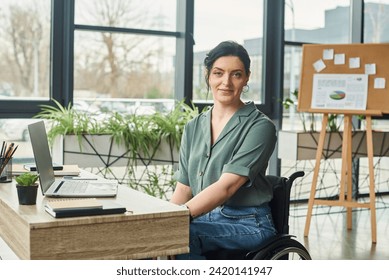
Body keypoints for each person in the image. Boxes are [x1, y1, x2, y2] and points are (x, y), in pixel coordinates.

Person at [170, 41, 277, 259]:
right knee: (149, 235)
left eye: (236, 74)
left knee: (181, 234)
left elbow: (227, 187)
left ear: (246, 77)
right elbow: (183, 190)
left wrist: (175, 220)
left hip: (249, 222)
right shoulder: (193, 127)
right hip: (205, 218)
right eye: (218, 73)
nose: (226, 82)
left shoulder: (260, 127)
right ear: (208, 75)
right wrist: (160, 220)